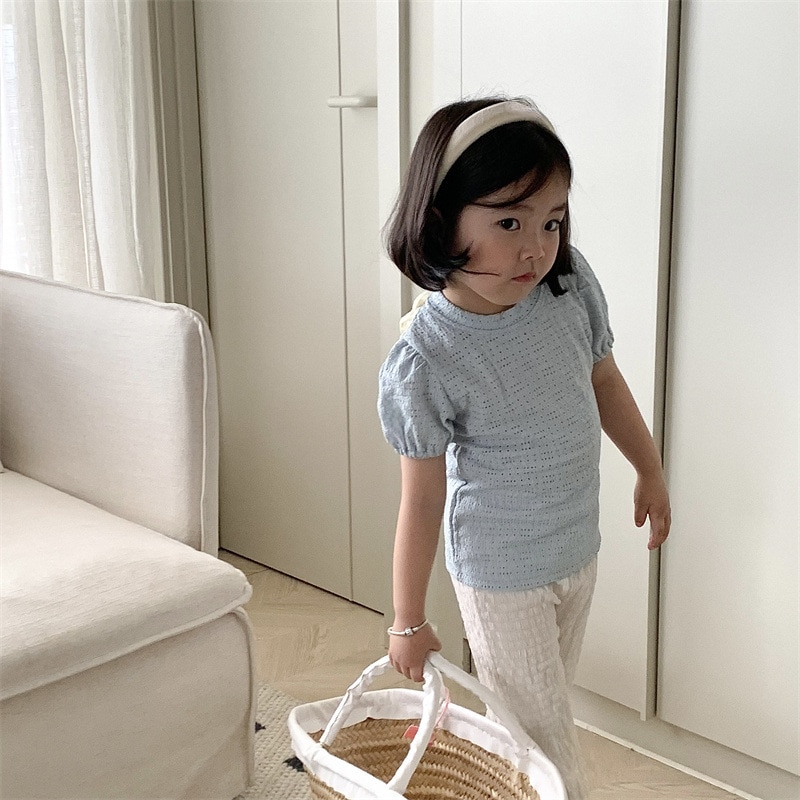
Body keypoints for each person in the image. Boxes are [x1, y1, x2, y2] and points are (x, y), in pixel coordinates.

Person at [377, 96, 671, 799]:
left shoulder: (567, 287)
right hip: (501, 571)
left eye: (552, 221)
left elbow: (604, 378)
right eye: (509, 222)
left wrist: (650, 467)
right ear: (441, 218)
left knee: (531, 716)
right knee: (544, 742)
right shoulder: (428, 356)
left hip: (576, 546)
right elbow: (422, 500)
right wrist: (407, 620)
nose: (535, 247)